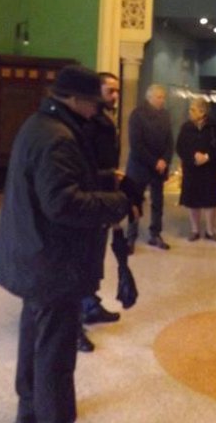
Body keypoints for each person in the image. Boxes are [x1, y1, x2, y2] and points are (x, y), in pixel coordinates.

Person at [0, 65, 141, 423]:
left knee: (35, 339)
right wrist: (120, 203)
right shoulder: (58, 136)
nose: (96, 110)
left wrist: (106, 178)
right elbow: (63, 203)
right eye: (92, 102)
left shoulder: (40, 125)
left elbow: (59, 182)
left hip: (34, 255)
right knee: (55, 355)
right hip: (52, 263)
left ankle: (29, 410)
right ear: (73, 99)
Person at [77, 72, 127, 353]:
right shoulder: (86, 123)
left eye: (117, 91)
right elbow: (84, 164)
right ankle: (75, 321)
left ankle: (90, 304)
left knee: (94, 255)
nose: (115, 96)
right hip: (89, 198)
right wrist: (105, 176)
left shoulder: (103, 120)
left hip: (102, 196)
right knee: (82, 259)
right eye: (111, 91)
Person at [126, 83, 173, 251]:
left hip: (159, 168)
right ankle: (131, 236)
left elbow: (169, 141)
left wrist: (165, 160)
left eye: (163, 97)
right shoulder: (137, 115)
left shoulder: (165, 115)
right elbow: (136, 144)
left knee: (157, 203)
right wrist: (155, 162)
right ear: (150, 97)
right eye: (159, 97)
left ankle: (155, 234)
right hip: (139, 166)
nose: (162, 100)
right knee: (135, 201)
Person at [176, 96, 216, 242]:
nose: (190, 112)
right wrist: (193, 156)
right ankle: (195, 230)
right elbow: (180, 147)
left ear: (202, 111)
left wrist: (207, 156)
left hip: (209, 169)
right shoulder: (186, 127)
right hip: (191, 169)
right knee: (192, 200)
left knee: (210, 200)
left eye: (193, 110)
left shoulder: (214, 127)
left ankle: (210, 231)